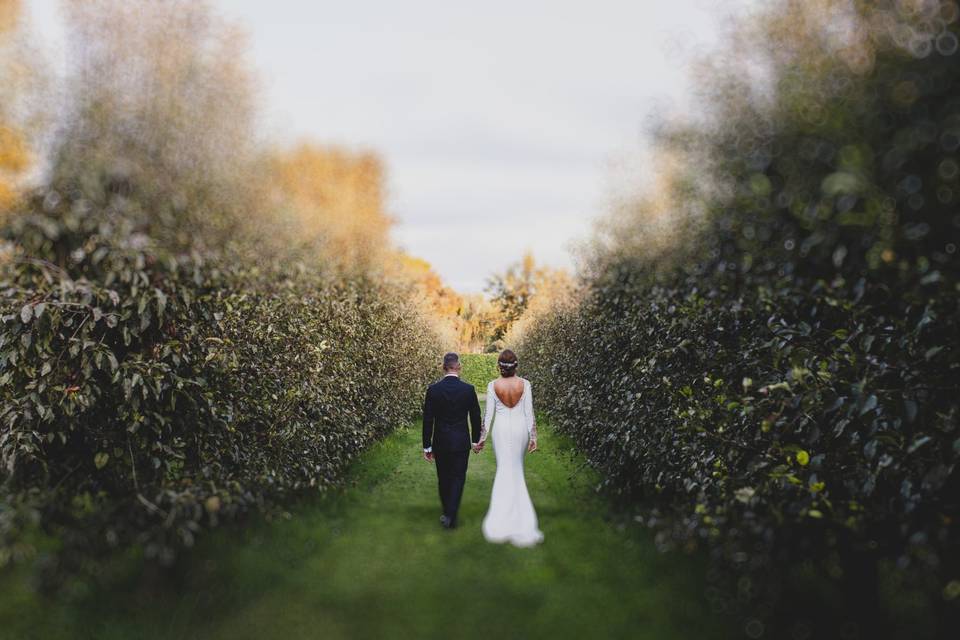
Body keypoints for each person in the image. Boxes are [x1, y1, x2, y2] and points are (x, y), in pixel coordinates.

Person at [477, 349, 544, 547]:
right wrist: (533, 437)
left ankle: (502, 517)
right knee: (516, 468)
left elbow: (488, 416)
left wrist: (481, 438)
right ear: (516, 365)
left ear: (499, 366)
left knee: (504, 468)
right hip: (520, 430)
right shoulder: (525, 384)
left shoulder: (493, 385)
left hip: (501, 430)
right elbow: (529, 413)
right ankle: (520, 518)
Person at [421, 352, 483, 529]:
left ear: (443, 367)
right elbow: (475, 416)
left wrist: (427, 445)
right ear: (459, 367)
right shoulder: (468, 389)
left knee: (443, 478)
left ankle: (448, 512)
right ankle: (451, 515)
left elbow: (428, 419)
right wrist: (475, 440)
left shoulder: (433, 390)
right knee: (458, 478)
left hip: (441, 441)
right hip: (461, 442)